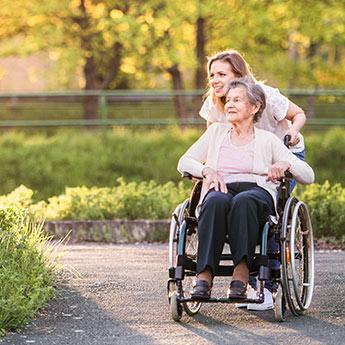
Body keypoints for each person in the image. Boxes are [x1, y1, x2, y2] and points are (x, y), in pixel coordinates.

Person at [177, 77, 314, 301]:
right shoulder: (216, 133)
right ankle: (204, 275)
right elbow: (184, 161)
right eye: (228, 100)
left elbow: (308, 175)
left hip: (256, 192)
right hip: (222, 188)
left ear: (255, 107)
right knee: (214, 201)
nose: (229, 104)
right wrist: (206, 170)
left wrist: (286, 164)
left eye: (237, 100)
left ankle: (240, 273)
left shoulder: (268, 140)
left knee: (245, 201)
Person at [199, 49, 307, 309]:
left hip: (282, 153)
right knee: (220, 200)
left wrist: (291, 132)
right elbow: (212, 146)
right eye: (211, 74)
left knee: (267, 212)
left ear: (239, 74)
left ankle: (267, 287)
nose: (214, 79)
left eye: (221, 74)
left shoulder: (265, 95)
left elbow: (299, 113)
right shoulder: (215, 103)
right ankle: (208, 275)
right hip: (242, 162)